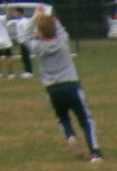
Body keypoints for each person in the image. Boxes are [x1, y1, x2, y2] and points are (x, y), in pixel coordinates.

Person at [26, 11, 101, 161]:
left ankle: (70, 135)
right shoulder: (62, 42)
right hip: (71, 84)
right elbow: (61, 30)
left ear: (40, 33)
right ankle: (95, 152)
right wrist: (50, 16)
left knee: (63, 118)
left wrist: (33, 19)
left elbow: (25, 37)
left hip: (52, 88)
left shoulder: (37, 47)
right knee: (85, 119)